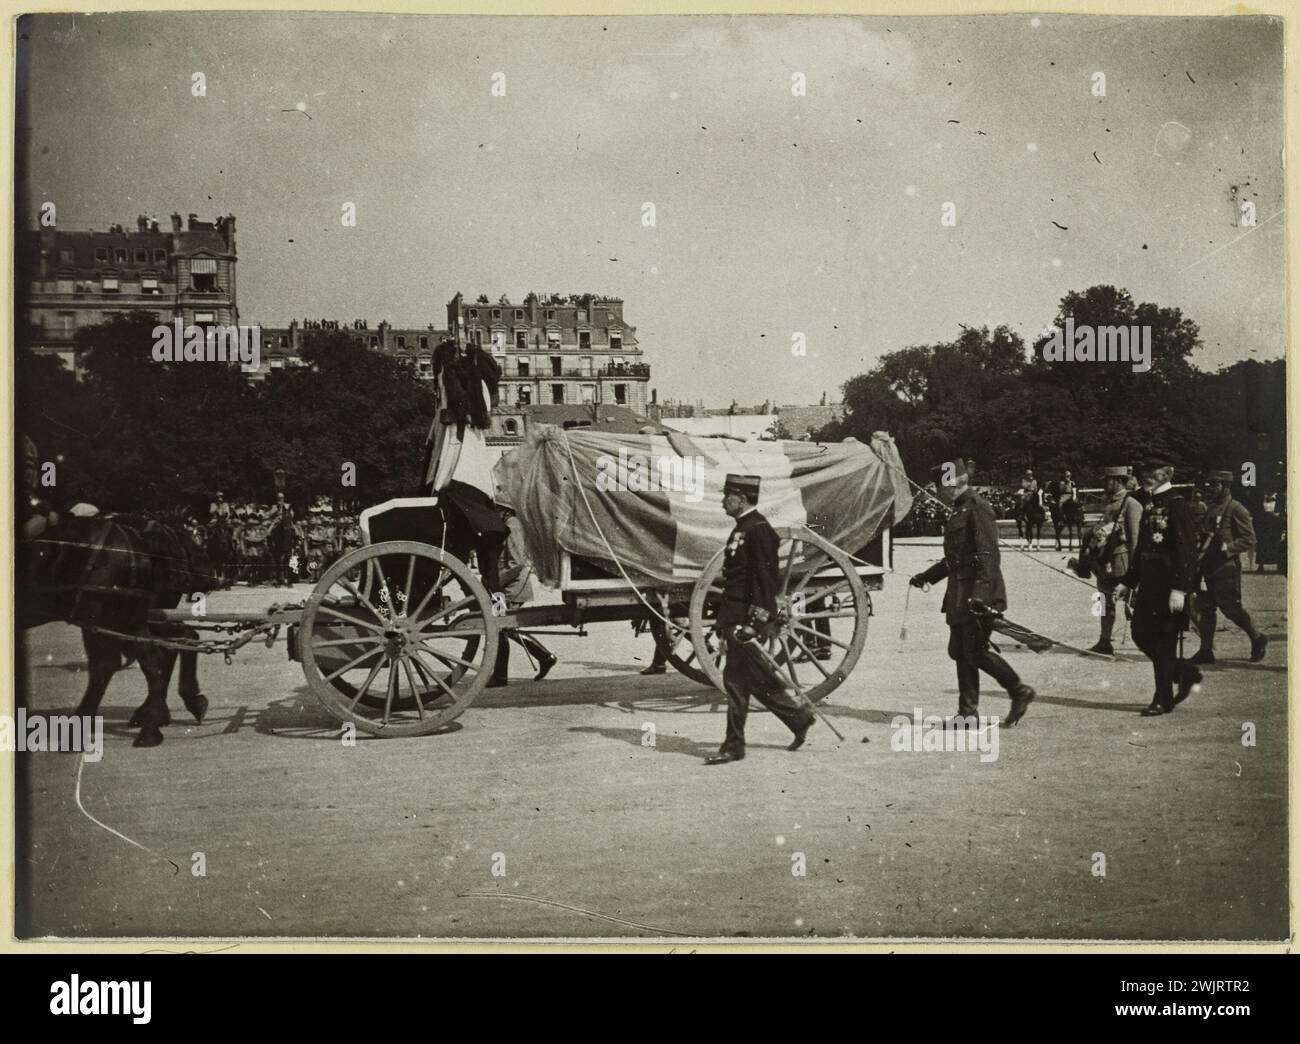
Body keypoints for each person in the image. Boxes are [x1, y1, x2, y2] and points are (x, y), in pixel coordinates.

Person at [910, 457, 1036, 725]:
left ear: (951, 485)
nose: (937, 493)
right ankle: (968, 713)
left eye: (939, 487)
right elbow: (955, 558)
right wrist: (927, 577)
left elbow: (988, 555)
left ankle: (1019, 691)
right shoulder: (959, 509)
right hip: (959, 593)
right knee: (959, 650)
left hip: (978, 594)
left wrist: (980, 595)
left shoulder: (977, 507)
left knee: (975, 651)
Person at [704, 474, 815, 765]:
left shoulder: (759, 529)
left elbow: (765, 581)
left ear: (741, 499)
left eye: (727, 495)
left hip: (746, 619)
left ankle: (734, 746)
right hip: (735, 615)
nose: (722, 500)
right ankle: (798, 718)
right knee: (749, 680)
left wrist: (755, 622)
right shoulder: (744, 527)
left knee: (737, 682)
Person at [1113, 458, 1201, 716]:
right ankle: (1184, 672)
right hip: (1149, 584)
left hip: (1168, 584)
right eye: (1144, 472)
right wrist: (1128, 582)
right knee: (1140, 633)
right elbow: (1143, 548)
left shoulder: (1177, 504)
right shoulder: (1151, 503)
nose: (1147, 476)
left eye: (1153, 472)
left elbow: (1187, 550)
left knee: (1163, 642)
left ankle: (1163, 699)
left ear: (1167, 474)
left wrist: (1181, 588)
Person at [1190, 470, 1267, 665]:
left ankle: (1257, 637)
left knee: (1231, 609)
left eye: (1214, 484)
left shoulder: (1236, 509)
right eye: (1210, 484)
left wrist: (1229, 548)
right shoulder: (1210, 508)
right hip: (1207, 566)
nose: (1210, 488)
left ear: (1226, 486)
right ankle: (1206, 649)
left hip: (1226, 567)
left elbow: (1250, 539)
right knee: (1205, 609)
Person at [1077, 465, 1143, 655]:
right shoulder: (1110, 503)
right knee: (1105, 602)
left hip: (1121, 564)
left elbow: (1135, 539)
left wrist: (1135, 572)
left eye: (1108, 481)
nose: (1105, 484)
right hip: (1105, 563)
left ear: (1118, 481)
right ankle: (1105, 641)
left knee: (1134, 605)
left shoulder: (1131, 504)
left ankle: (1150, 642)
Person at [488, 512, 557, 687]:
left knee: (501, 627)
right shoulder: (508, 523)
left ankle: (501, 676)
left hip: (512, 586)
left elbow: (516, 563)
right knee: (504, 628)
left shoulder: (513, 525)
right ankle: (544, 657)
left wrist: (494, 584)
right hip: (505, 586)